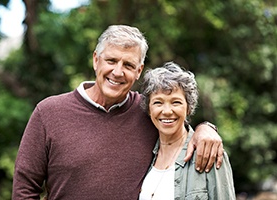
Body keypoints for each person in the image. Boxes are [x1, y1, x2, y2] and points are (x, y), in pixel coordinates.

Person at [12, 25, 224, 199]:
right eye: (111, 61)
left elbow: (179, 129)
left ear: (138, 71)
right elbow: (24, 190)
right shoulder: (48, 112)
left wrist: (205, 128)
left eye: (128, 65)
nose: (118, 72)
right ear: (96, 60)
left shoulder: (148, 111)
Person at [139, 61, 235, 200]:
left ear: (189, 108)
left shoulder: (207, 153)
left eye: (176, 102)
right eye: (158, 102)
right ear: (149, 109)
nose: (166, 111)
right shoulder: (144, 156)